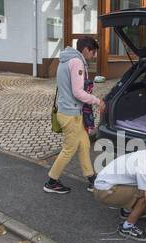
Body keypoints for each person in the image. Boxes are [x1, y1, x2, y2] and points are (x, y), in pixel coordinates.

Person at [43, 37, 104, 195]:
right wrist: (98, 101)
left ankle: (91, 179)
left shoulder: (65, 59)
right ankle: (52, 181)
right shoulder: (77, 62)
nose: (94, 55)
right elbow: (78, 92)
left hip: (68, 111)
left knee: (84, 144)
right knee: (69, 149)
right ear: (85, 50)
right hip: (71, 114)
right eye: (93, 51)